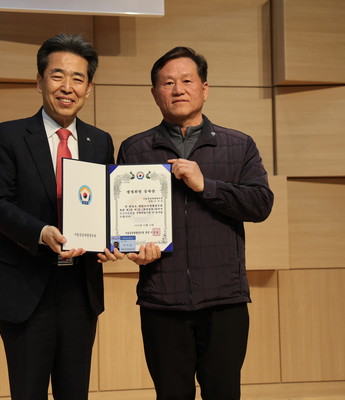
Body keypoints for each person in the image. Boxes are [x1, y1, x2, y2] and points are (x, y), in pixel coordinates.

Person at [117, 47, 274, 400]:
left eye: (187, 81)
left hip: (224, 300)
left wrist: (207, 186)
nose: (178, 89)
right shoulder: (134, 149)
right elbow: (125, 220)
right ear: (154, 93)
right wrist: (132, 249)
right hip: (162, 301)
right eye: (168, 83)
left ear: (204, 89)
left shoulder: (239, 145)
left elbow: (261, 204)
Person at [0, 33, 123, 400]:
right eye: (57, 75)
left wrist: (112, 240)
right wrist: (41, 232)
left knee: (75, 391)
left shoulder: (100, 141)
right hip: (25, 286)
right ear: (39, 81)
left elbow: (105, 205)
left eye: (78, 78)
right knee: (28, 391)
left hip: (80, 288)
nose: (67, 87)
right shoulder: (8, 136)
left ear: (89, 88)